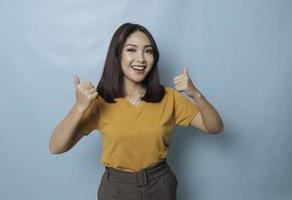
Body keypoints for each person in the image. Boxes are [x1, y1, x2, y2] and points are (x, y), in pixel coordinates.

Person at [49, 22, 224, 200]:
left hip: (160, 186)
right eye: (131, 50)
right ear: (117, 55)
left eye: (148, 51)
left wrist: (195, 94)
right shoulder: (100, 102)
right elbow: (56, 147)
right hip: (116, 189)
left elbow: (215, 127)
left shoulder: (169, 98)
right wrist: (79, 107)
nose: (141, 58)